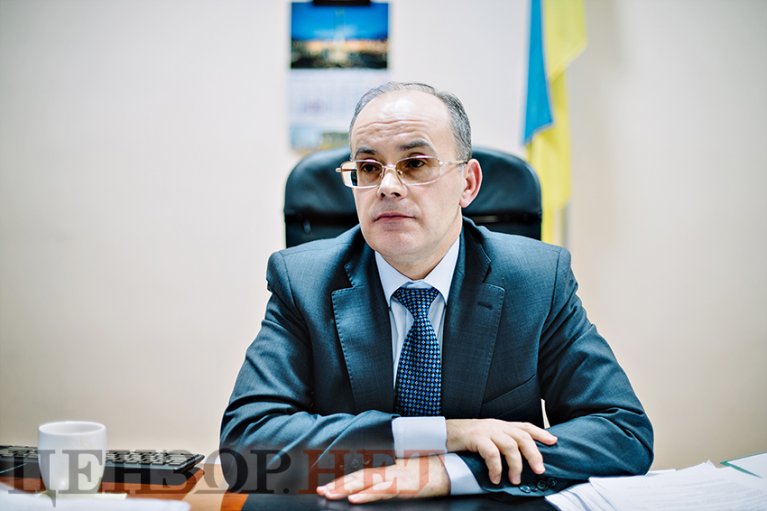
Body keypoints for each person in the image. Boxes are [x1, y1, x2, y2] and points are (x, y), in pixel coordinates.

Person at [220, 82, 653, 504]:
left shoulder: (537, 279)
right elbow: (245, 452)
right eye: (368, 168)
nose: (387, 186)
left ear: (468, 183)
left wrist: (447, 470)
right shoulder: (303, 281)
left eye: (415, 163)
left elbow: (623, 434)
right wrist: (445, 434)